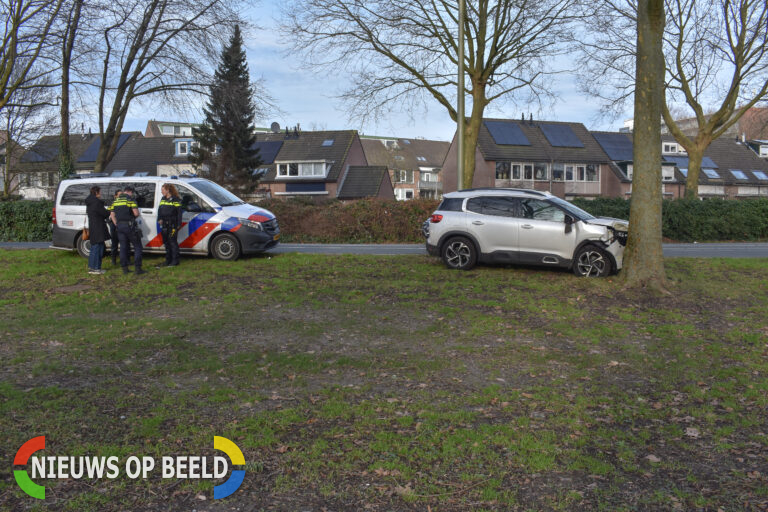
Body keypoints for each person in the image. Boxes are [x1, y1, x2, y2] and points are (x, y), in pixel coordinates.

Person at [109, 186, 146, 275]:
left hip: (119, 227)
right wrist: (132, 217)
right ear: (130, 192)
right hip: (129, 226)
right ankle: (138, 269)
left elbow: (112, 215)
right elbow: (136, 213)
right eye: (132, 193)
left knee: (123, 247)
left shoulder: (115, 201)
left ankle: (125, 269)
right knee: (137, 246)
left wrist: (116, 224)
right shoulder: (130, 200)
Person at [85, 186, 110, 275]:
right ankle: (96, 268)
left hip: (93, 227)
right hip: (98, 227)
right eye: (100, 192)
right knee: (98, 248)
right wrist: (109, 210)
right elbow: (104, 213)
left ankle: (92, 267)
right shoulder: (96, 203)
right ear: (96, 192)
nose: (101, 194)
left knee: (94, 247)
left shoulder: (90, 202)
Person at [157, 183, 183, 268]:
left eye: (163, 190)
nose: (162, 192)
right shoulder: (163, 199)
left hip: (172, 224)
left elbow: (179, 213)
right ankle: (168, 260)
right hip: (164, 225)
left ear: (168, 190)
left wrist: (179, 224)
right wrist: (159, 219)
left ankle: (175, 261)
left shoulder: (176, 199)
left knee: (172, 242)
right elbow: (159, 210)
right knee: (166, 243)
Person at [107, 188, 122, 265]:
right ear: (115, 196)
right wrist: (116, 224)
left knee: (123, 243)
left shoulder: (122, 203)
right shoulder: (113, 204)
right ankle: (113, 260)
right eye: (119, 195)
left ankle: (123, 260)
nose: (121, 197)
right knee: (114, 244)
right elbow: (111, 215)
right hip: (115, 225)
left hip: (120, 224)